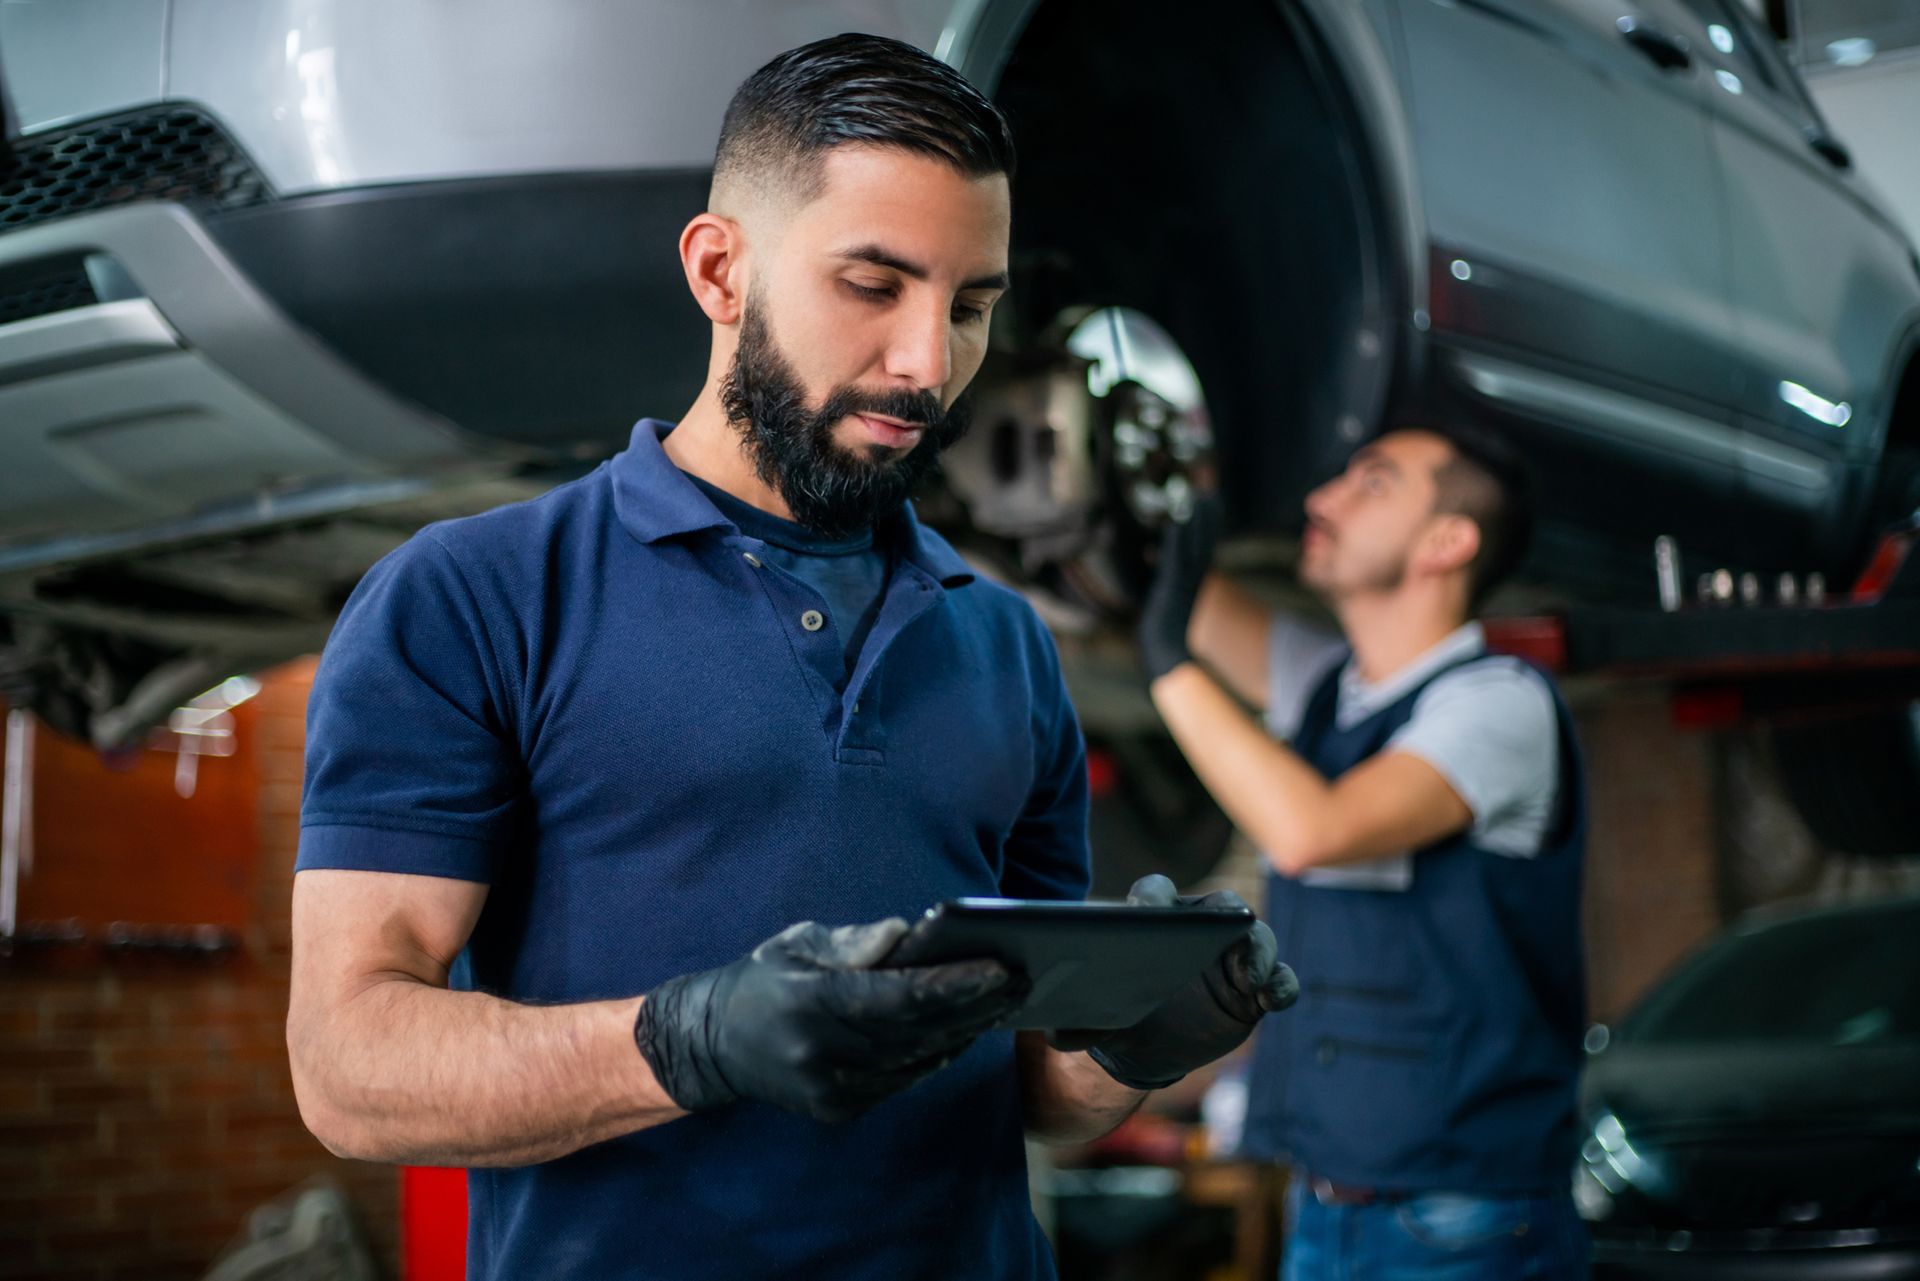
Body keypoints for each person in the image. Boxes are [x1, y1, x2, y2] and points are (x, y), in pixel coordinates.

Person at [285, 34, 1294, 1281]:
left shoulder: (1003, 642)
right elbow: (349, 1070)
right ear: (720, 269)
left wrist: (1135, 1041)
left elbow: (1033, 1090)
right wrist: (688, 1043)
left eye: (972, 306)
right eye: (874, 285)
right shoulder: (476, 597)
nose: (931, 363)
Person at [1136, 424, 1590, 1279]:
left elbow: (1312, 830)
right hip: (1324, 1208)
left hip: (1465, 1224)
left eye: (1372, 483)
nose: (1322, 498)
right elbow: (1177, 599)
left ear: (1446, 542)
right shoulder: (1329, 687)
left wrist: (1169, 668)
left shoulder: (1499, 704)